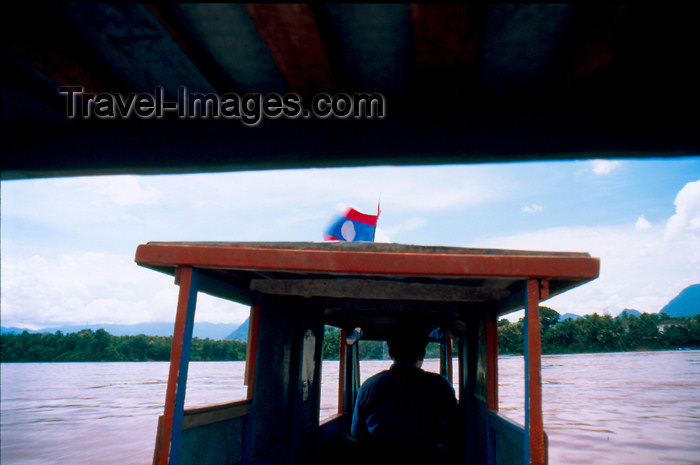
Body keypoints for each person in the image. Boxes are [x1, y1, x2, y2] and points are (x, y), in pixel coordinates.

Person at [350, 324, 458, 464]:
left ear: (390, 353)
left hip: (379, 456)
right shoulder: (439, 384)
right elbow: (455, 427)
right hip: (423, 457)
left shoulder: (368, 386)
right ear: (422, 354)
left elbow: (357, 431)